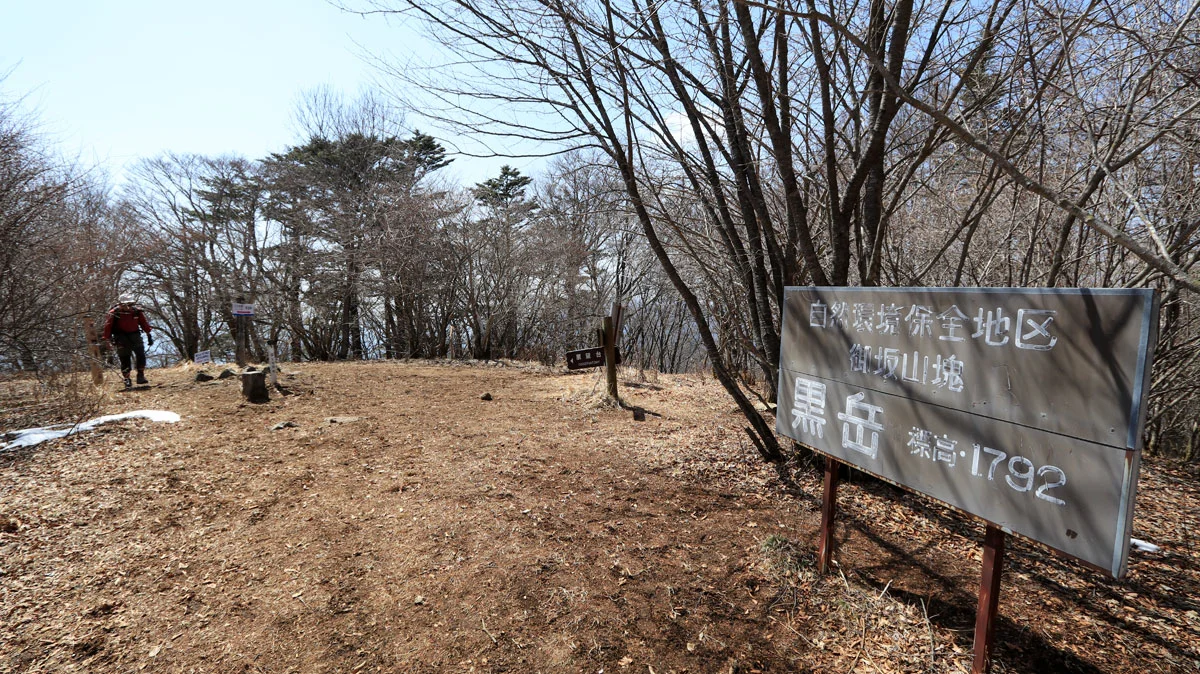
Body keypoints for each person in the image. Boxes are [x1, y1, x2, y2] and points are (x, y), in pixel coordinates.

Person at [102, 294, 154, 388]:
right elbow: (107, 328)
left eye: (130, 304)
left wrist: (149, 335)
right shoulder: (114, 313)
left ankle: (140, 375)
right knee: (124, 358)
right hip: (120, 337)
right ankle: (127, 379)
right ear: (120, 304)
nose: (128, 307)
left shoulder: (136, 312)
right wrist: (107, 340)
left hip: (135, 335)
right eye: (126, 304)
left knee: (141, 355)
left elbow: (144, 323)